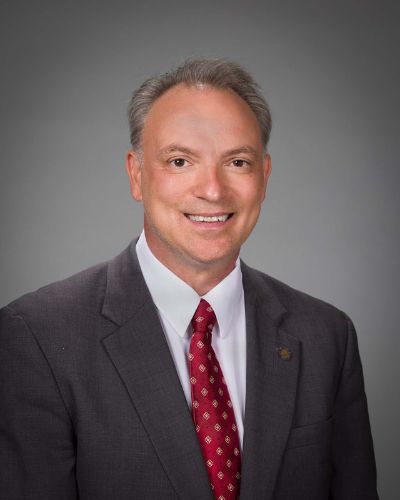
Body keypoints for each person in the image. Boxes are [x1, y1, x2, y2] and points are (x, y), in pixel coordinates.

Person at [0, 59, 378, 500]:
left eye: (237, 161)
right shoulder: (38, 337)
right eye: (180, 161)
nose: (213, 190)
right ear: (136, 174)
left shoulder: (326, 336)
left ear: (264, 177)